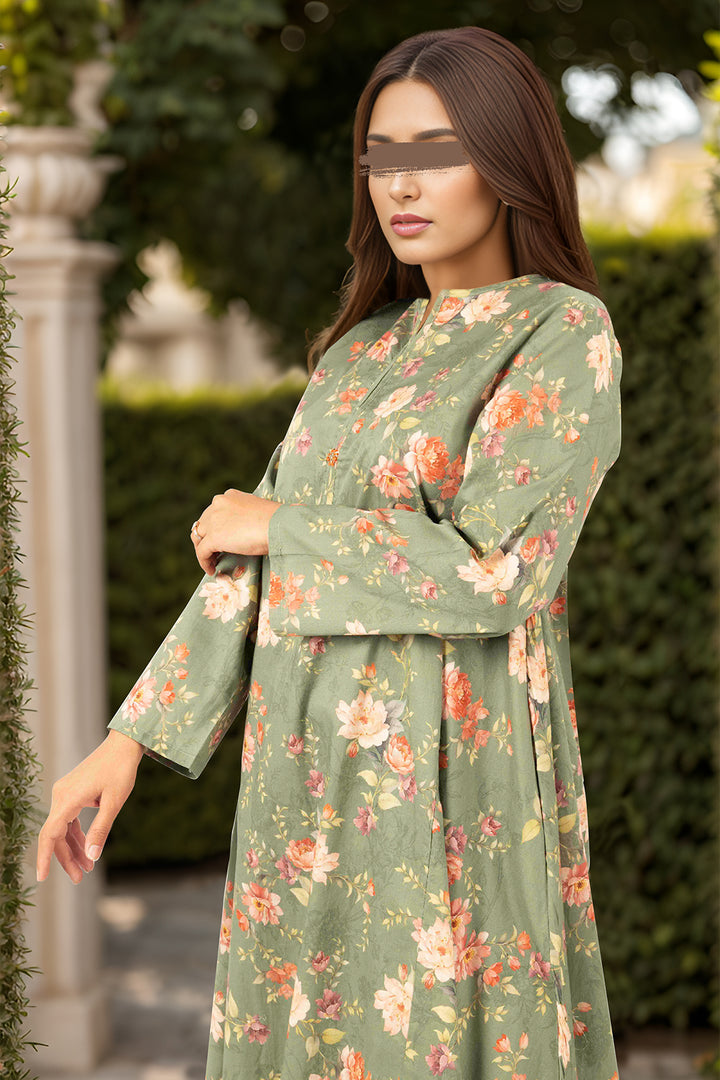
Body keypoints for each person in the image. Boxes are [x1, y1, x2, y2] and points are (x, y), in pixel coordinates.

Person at [36, 25, 622, 1080]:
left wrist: (283, 527)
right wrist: (126, 743)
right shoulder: (359, 352)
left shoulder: (560, 333)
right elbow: (246, 567)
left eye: (436, 151)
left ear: (508, 158)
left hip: (450, 784)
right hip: (298, 776)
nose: (402, 184)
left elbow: (495, 573)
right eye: (382, 156)